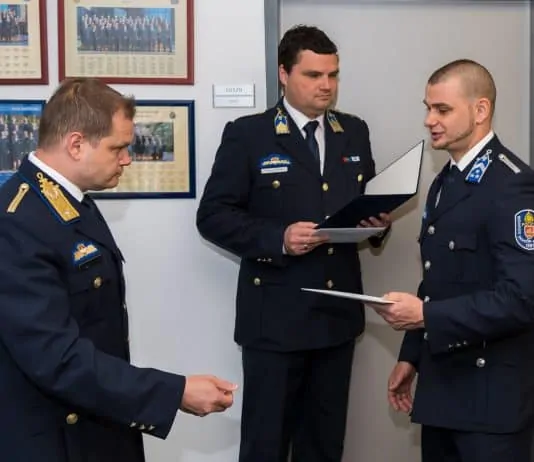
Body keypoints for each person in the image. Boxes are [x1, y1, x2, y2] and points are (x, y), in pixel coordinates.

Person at [0, 78, 237, 462]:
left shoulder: (70, 202)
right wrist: (174, 392)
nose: (127, 159)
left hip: (98, 419)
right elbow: (58, 358)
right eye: (118, 148)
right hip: (57, 436)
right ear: (76, 144)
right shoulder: (17, 222)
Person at [196, 25, 390, 462]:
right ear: (284, 74)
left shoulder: (353, 131)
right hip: (274, 323)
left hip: (336, 320)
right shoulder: (249, 134)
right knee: (265, 447)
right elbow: (212, 216)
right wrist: (278, 238)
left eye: (333, 75)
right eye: (313, 75)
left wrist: (377, 225)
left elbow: (366, 205)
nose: (326, 85)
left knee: (323, 447)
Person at [379, 59, 534, 462]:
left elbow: (521, 299)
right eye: (428, 108)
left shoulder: (511, 184)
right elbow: (437, 280)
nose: (429, 120)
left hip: (490, 402)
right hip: (443, 390)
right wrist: (411, 356)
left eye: (442, 109)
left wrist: (425, 316)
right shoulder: (445, 181)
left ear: (480, 110)